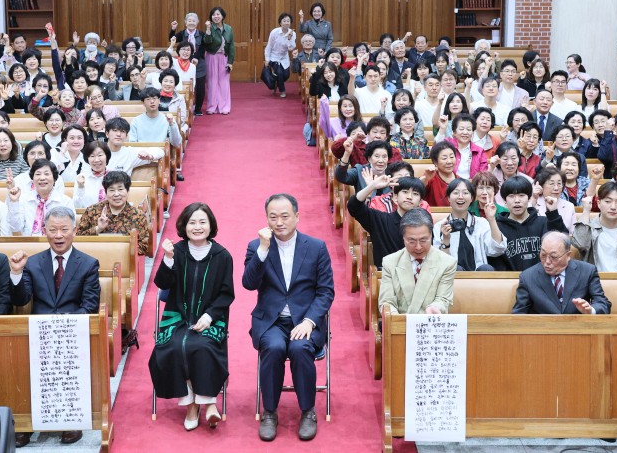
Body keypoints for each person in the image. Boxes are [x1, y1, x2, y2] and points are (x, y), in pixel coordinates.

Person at [243, 194, 334, 442]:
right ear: (267, 219)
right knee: (272, 347)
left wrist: (309, 321)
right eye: (273, 217)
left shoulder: (316, 247)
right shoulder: (256, 246)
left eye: (285, 216)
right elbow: (248, 284)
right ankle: (270, 412)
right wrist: (262, 250)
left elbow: (325, 291)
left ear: (297, 217)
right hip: (271, 321)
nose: (279, 222)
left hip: (306, 320)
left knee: (300, 347)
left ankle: (307, 411)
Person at [9, 206, 100, 447]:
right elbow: (21, 300)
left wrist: (64, 328)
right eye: (52, 230)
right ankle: (27, 422)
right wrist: (16, 274)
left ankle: (70, 420)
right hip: (38, 333)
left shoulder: (89, 264)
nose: (58, 235)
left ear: (75, 231)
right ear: (44, 231)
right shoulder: (33, 262)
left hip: (73, 333)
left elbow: (90, 305)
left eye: (63, 230)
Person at [148, 203, 234, 431]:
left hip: (209, 318)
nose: (197, 227)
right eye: (192, 222)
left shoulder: (222, 256)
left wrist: (209, 316)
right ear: (184, 226)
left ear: (211, 225)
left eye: (202, 222)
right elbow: (162, 285)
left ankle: (203, 403)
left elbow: (226, 294)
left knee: (202, 346)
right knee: (177, 346)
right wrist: (167, 258)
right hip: (177, 317)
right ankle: (198, 405)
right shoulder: (177, 252)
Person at [378, 208, 457, 314]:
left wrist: (435, 308)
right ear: (403, 238)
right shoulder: (390, 262)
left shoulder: (447, 263)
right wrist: (393, 317)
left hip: (430, 324)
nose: (418, 247)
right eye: (411, 241)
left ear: (431, 235)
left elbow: (443, 300)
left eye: (423, 240)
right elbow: (386, 302)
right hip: (399, 326)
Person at [512, 232, 611, 314]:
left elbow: (603, 304)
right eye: (543, 255)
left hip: (578, 331)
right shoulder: (528, 277)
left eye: (553, 257)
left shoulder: (587, 271)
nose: (547, 261)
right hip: (543, 334)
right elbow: (519, 314)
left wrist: (591, 310)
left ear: (568, 255)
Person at [489, 176, 569, 271]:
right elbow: (495, 259)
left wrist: (553, 214)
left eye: (522, 195)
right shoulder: (498, 227)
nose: (517, 200)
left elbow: (564, 242)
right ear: (505, 200)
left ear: (529, 198)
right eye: (511, 196)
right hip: (510, 281)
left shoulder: (543, 222)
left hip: (541, 278)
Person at [348, 174, 426, 268]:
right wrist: (372, 186)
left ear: (420, 202)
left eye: (415, 194)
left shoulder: (424, 226)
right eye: (405, 192)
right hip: (386, 277)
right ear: (395, 197)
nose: (409, 197)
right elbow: (353, 206)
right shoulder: (380, 220)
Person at [433, 179, 506, 270]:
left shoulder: (481, 223)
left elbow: (498, 249)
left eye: (465, 193)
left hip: (478, 278)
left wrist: (491, 219)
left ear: (472, 198)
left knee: (486, 269)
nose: (460, 197)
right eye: (456, 193)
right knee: (456, 269)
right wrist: (446, 240)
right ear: (448, 198)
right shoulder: (440, 227)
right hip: (452, 278)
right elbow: (440, 263)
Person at [76, 171, 150, 256]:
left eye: (120, 189)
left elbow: (144, 247)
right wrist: (98, 229)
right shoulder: (92, 211)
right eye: (111, 190)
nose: (116, 194)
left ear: (127, 191)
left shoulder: (138, 215)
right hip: (93, 259)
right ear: (106, 192)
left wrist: (118, 248)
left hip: (124, 261)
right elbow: (78, 239)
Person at [7, 159, 75, 237]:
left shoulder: (65, 202)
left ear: (55, 179)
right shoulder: (23, 199)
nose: (42, 178)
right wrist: (14, 202)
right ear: (32, 178)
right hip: (29, 245)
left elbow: (69, 230)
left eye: (46, 174)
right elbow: (15, 228)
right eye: (38, 174)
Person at [169, 13, 208, 115]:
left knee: (200, 86)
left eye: (193, 21)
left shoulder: (201, 34)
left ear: (197, 22)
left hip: (199, 62)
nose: (191, 23)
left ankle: (198, 109)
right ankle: (184, 106)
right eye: (189, 21)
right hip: (184, 62)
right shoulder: (182, 33)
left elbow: (203, 48)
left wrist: (195, 57)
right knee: (184, 85)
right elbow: (172, 40)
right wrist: (173, 29)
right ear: (185, 22)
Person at [204, 6, 234, 115]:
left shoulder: (229, 29)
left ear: (222, 16)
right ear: (211, 17)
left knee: (224, 82)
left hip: (224, 57)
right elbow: (207, 42)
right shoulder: (210, 27)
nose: (216, 16)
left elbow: (231, 47)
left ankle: (224, 106)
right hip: (211, 56)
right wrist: (207, 30)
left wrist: (230, 62)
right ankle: (212, 106)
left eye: (218, 14)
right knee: (212, 82)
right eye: (214, 15)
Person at [264, 12, 296, 97]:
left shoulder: (292, 33)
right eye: (284, 21)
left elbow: (290, 48)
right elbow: (269, 46)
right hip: (274, 57)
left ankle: (277, 82)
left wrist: (289, 38)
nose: (286, 23)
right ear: (280, 22)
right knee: (279, 73)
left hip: (284, 57)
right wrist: (267, 59)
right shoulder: (274, 32)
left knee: (286, 75)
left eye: (288, 21)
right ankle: (282, 91)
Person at [73, 141, 111, 209]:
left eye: (100, 155)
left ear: (107, 156)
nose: (96, 160)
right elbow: (77, 207)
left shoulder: (114, 176)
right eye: (92, 156)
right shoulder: (81, 178)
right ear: (87, 159)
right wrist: (80, 187)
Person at [420, 141, 457, 207]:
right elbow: (417, 189)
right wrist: (426, 179)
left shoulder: (460, 180)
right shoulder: (430, 177)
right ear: (435, 162)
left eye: (451, 157)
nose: (449, 161)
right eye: (444, 158)